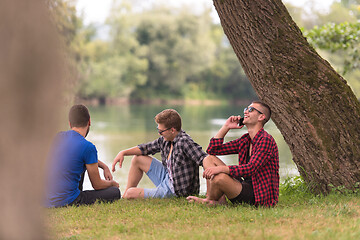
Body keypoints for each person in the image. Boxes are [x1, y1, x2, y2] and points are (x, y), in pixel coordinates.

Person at [186, 101, 279, 207]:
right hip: (244, 186)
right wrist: (226, 127)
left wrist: (221, 169)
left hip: (258, 195)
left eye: (251, 110)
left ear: (261, 117)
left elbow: (251, 168)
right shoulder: (245, 140)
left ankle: (210, 200)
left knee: (219, 177)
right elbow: (212, 150)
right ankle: (218, 200)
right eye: (246, 109)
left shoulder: (265, 140)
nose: (246, 112)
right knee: (208, 159)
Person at [111, 109, 207, 199]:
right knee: (137, 159)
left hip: (176, 191)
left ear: (172, 130)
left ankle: (126, 196)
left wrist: (210, 194)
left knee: (130, 193)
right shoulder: (165, 140)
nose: (159, 134)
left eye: (161, 131)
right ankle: (124, 198)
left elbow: (205, 159)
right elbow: (146, 148)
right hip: (168, 177)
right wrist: (123, 152)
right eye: (158, 130)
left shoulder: (185, 142)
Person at [45, 104, 121, 207]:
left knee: (80, 161)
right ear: (89, 121)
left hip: (46, 200)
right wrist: (112, 183)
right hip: (68, 201)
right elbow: (97, 185)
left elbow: (75, 155)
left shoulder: (58, 137)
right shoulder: (88, 147)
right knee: (115, 192)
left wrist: (104, 166)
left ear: (70, 123)